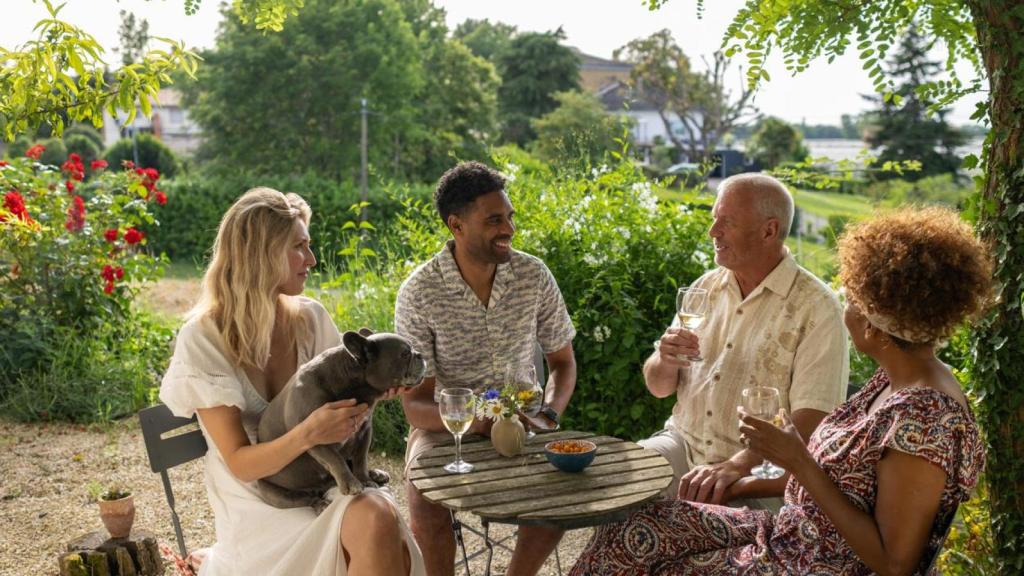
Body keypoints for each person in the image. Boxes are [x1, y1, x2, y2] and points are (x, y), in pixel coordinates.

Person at [570, 206, 991, 575]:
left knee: (654, 559)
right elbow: (840, 483)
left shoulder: (925, 415)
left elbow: (895, 563)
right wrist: (733, 487)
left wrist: (797, 461)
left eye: (855, 297)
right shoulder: (894, 380)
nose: (845, 303)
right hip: (788, 535)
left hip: (811, 561)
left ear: (874, 324)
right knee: (634, 525)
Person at [159, 187, 425, 576]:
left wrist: (379, 389)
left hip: (325, 476)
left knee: (379, 513)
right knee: (375, 520)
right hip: (261, 498)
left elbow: (345, 409)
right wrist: (308, 433)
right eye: (299, 247)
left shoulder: (311, 319)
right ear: (260, 254)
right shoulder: (203, 338)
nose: (312, 260)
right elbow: (240, 464)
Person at [395, 161, 577, 576]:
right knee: (424, 499)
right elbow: (416, 407)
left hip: (526, 420)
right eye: (494, 220)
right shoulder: (419, 292)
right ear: (456, 226)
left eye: (510, 217)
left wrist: (548, 413)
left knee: (562, 492)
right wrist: (474, 423)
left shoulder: (534, 275)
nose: (508, 228)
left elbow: (563, 364)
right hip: (448, 428)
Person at [641, 173, 849, 509]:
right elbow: (658, 387)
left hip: (759, 473)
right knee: (621, 488)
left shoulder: (817, 307)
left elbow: (813, 421)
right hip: (682, 446)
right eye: (714, 220)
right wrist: (664, 360)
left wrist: (737, 465)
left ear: (769, 230)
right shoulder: (705, 287)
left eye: (727, 223)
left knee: (689, 543)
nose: (713, 232)